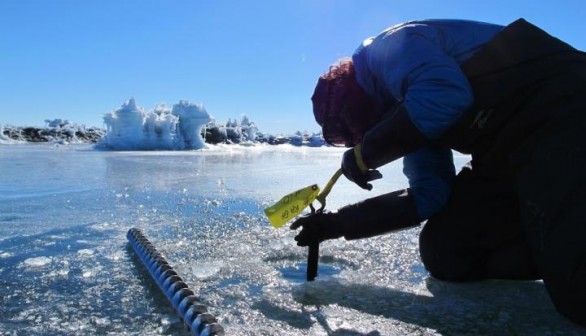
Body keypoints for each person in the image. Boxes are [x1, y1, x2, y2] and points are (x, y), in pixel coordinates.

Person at [290, 18, 586, 326]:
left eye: (349, 130)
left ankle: (564, 251)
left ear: (353, 99)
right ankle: (556, 242)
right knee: (448, 250)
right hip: (506, 153)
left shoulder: (388, 49)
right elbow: (429, 195)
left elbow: (446, 94)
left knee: (577, 287)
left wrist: (368, 153)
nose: (356, 138)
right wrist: (337, 223)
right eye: (346, 140)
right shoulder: (406, 111)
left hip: (563, 109)